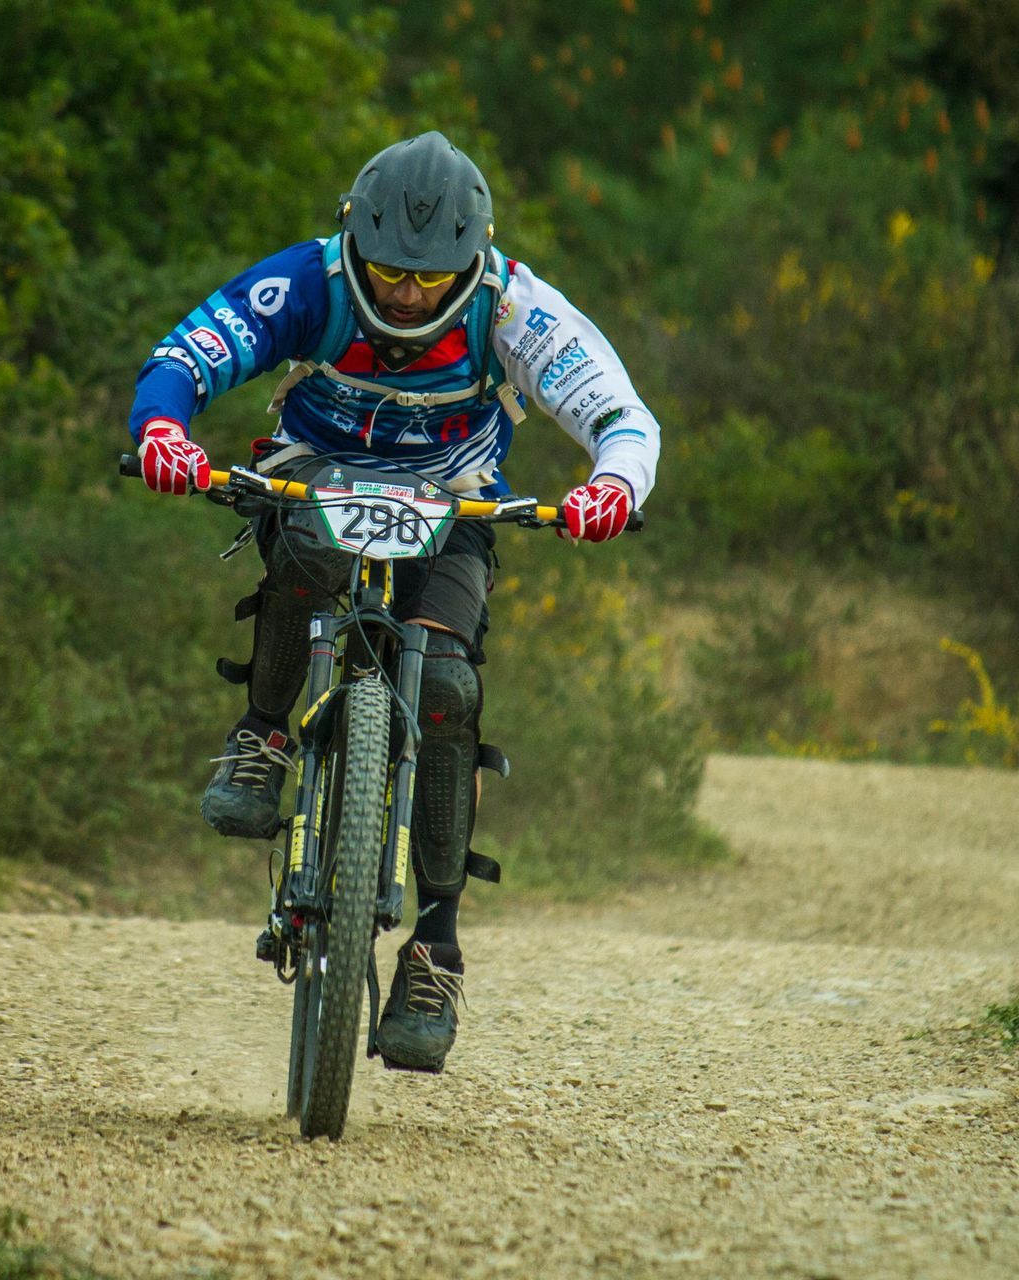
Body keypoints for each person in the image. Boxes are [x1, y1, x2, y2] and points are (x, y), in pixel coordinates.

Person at [126, 131, 660, 1073]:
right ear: (352, 242)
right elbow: (189, 353)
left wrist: (614, 486)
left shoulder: (516, 309)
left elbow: (620, 414)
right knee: (300, 549)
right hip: (314, 481)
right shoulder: (311, 284)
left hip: (454, 505)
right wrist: (164, 429)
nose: (407, 294)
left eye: (430, 277)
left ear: (474, 255)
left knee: (447, 685)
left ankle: (435, 950)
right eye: (387, 271)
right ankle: (264, 735)